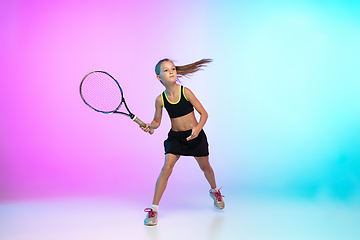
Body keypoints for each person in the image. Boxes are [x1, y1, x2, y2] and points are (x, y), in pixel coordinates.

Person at [141, 58, 224, 226]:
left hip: (195, 136)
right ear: (159, 78)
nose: (171, 71)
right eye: (166, 70)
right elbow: (157, 122)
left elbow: (204, 114)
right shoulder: (160, 100)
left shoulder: (186, 92)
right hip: (176, 138)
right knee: (167, 168)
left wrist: (198, 129)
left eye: (172, 68)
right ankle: (154, 210)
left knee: (205, 167)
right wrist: (150, 126)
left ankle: (215, 191)